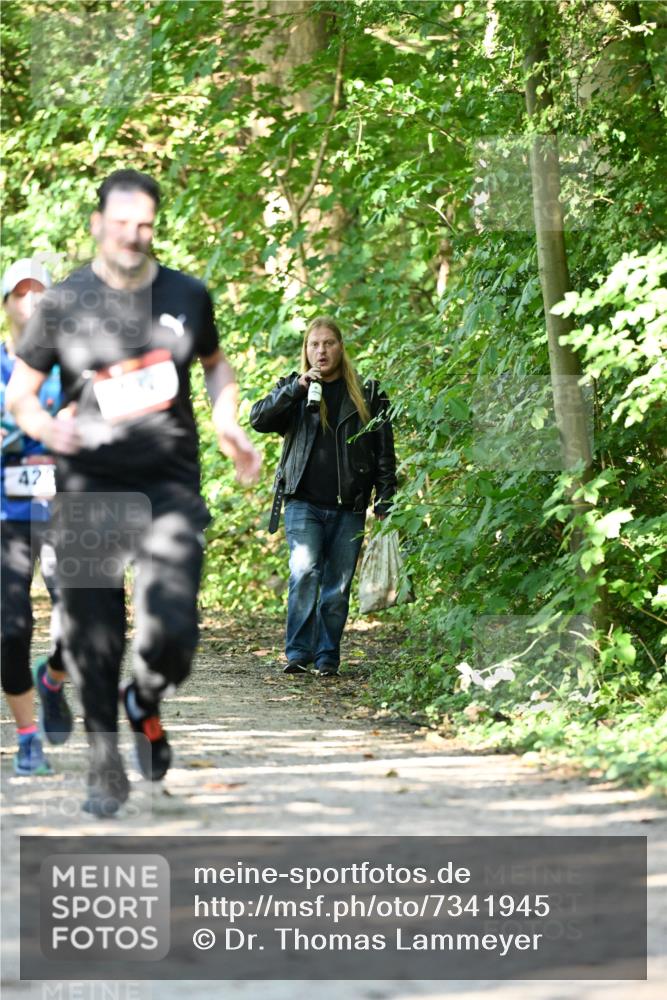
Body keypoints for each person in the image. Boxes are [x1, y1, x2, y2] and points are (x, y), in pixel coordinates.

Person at [7, 169, 261, 815]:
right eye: (121, 224)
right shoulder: (62, 304)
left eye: (144, 224)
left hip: (169, 488)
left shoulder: (187, 295)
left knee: (170, 636)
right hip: (88, 489)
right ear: (97, 224)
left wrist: (227, 419)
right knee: (95, 639)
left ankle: (142, 701)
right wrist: (44, 429)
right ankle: (103, 765)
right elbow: (22, 396)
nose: (132, 236)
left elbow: (214, 363)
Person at [250, 316, 396, 677]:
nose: (321, 351)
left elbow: (384, 452)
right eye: (314, 344)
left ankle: (328, 656)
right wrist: (296, 389)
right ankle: (298, 653)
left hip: (350, 506)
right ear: (306, 350)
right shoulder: (294, 388)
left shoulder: (369, 393)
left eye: (328, 343)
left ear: (341, 347)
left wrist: (386, 496)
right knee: (304, 572)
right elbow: (258, 419)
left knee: (337, 587)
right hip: (302, 501)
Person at [1, 258, 72, 776]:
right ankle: (28, 737)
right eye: (19, 293)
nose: (29, 301)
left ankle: (53, 678)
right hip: (6, 514)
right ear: (7, 306)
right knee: (11, 628)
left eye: (38, 293)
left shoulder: (74, 365)